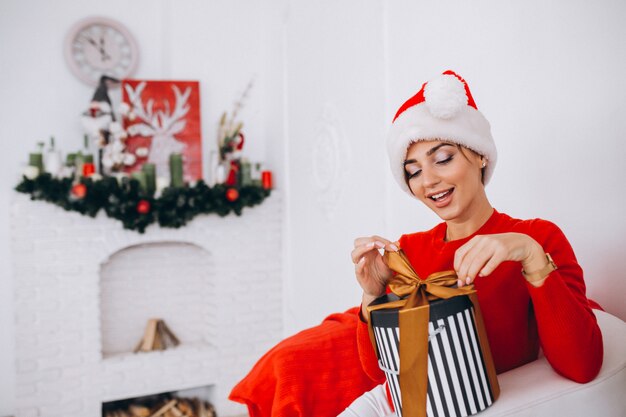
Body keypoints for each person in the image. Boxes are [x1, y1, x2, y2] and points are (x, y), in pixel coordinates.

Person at [340, 70, 603, 416]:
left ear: (480, 155)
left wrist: (529, 256)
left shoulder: (537, 237)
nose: (429, 181)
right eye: (414, 170)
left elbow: (583, 365)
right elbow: (382, 375)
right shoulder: (407, 252)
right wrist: (372, 298)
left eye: (443, 158)